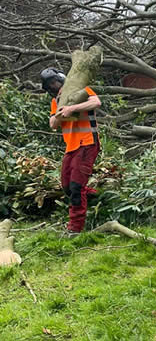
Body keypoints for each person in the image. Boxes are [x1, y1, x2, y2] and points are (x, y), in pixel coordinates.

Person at [41, 67, 101, 235]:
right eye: (50, 85)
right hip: (71, 146)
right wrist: (61, 111)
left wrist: (72, 109)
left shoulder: (80, 89)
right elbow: (53, 124)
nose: (54, 86)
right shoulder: (56, 101)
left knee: (75, 186)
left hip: (87, 143)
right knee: (67, 186)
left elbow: (96, 102)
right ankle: (96, 198)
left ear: (62, 79)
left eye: (54, 82)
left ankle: (75, 229)